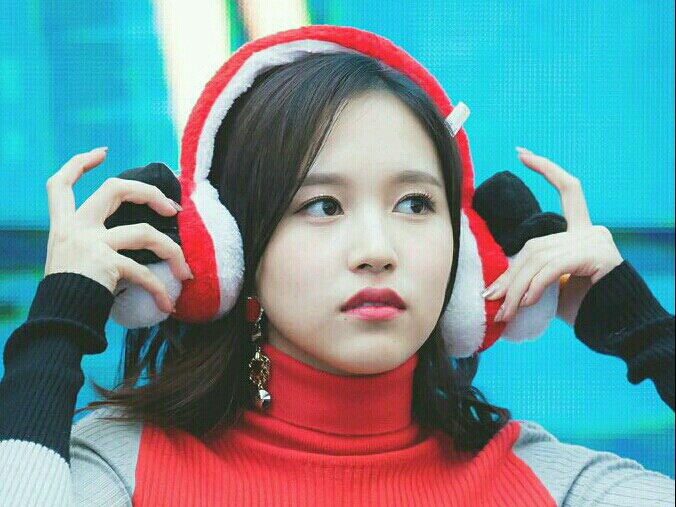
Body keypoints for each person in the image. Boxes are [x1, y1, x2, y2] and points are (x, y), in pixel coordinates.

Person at [0, 25, 674, 506]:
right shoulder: (122, 470)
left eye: (415, 203)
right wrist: (60, 319)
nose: (377, 248)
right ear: (232, 253)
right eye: (322, 205)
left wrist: (645, 331)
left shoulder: (550, 484)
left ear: (467, 259)